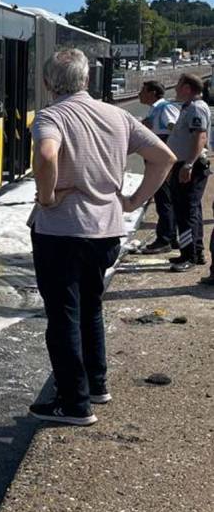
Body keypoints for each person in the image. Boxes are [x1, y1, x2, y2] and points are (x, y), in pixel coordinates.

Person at [29, 50, 174, 425]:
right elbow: (164, 157)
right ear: (86, 81)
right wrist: (133, 200)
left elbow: (46, 156)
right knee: (90, 307)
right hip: (107, 231)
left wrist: (46, 198)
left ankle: (74, 404)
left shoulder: (52, 116)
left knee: (62, 316)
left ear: (48, 83)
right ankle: (96, 384)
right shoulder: (117, 115)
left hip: (62, 232)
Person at [166, 73, 211, 271]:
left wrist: (188, 164)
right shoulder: (189, 107)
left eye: (178, 84)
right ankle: (194, 250)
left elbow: (199, 136)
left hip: (190, 165)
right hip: (183, 163)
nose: (175, 88)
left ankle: (189, 256)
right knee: (189, 209)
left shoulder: (195, 108)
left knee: (186, 212)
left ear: (186, 88)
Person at [138, 80, 180, 254]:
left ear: (153, 93)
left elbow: (175, 130)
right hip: (157, 160)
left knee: (165, 200)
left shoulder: (164, 108)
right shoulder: (155, 109)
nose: (140, 94)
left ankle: (165, 239)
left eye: (143, 91)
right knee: (164, 199)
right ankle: (171, 237)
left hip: (162, 162)